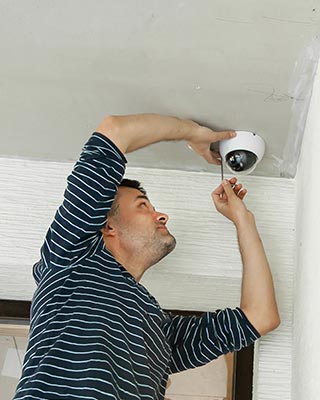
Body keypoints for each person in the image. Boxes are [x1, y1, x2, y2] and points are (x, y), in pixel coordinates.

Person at [13, 114, 280, 399]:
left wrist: (243, 220)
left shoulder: (159, 330)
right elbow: (114, 131)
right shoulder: (70, 258)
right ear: (107, 225)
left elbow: (260, 316)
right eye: (143, 206)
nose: (161, 215)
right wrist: (192, 133)